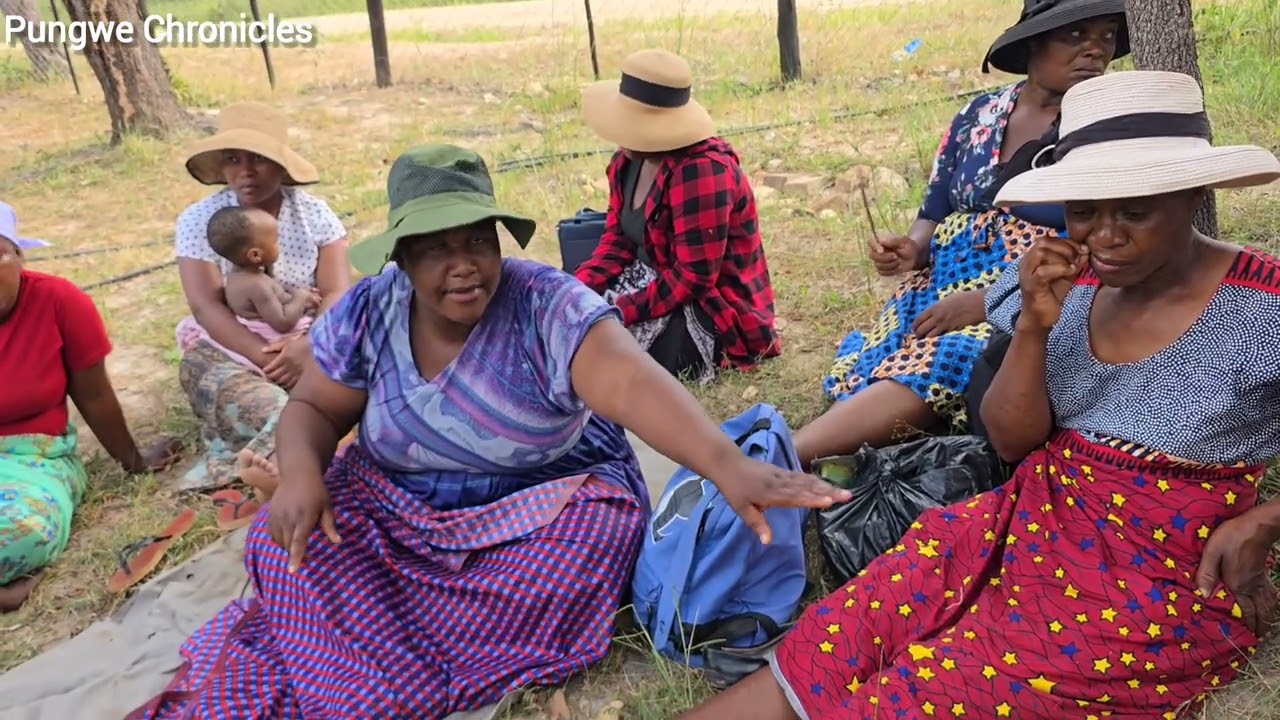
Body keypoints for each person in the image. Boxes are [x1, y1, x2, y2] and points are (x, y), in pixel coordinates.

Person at [129, 144, 849, 719]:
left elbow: (629, 381)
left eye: (478, 240)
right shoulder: (370, 313)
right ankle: (373, 653)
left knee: (584, 551)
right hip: (399, 505)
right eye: (437, 248)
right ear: (402, 257)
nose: (465, 264)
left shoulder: (547, 304)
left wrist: (726, 465)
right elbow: (315, 411)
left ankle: (377, 660)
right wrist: (305, 472)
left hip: (545, 505)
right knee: (283, 541)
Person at [679, 70, 1280, 720]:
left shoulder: (1261, 307)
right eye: (1084, 211)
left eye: (1134, 212)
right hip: (1029, 521)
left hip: (1158, 573)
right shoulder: (1070, 284)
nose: (1104, 236)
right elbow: (1013, 440)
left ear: (1193, 194)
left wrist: (1263, 522)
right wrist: (1032, 327)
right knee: (856, 624)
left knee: (937, 690)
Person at [793, 0, 1128, 466]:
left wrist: (988, 301)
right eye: (1075, 36)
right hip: (938, 285)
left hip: (1032, 293)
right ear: (1033, 43)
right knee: (886, 352)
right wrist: (912, 249)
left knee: (949, 356)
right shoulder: (979, 115)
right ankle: (834, 440)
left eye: (1106, 36)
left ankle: (784, 455)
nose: (1095, 50)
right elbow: (934, 209)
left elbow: (1108, 243)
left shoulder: (1105, 130)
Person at [0, 201, 180, 612]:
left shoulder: (59, 301)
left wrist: (133, 460)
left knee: (19, 535)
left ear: (19, 256)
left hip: (34, 459)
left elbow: (94, 395)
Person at [172, 101, 351, 493]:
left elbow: (338, 289)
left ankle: (291, 462)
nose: (246, 172)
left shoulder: (314, 215)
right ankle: (309, 457)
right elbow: (205, 306)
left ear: (282, 165)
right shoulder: (199, 220)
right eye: (233, 159)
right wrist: (266, 358)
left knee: (368, 379)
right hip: (235, 347)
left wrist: (309, 347)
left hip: (314, 338)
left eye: (260, 159)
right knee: (262, 402)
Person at [575, 48, 781, 384]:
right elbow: (618, 239)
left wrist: (621, 310)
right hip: (651, 278)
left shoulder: (701, 171)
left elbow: (693, 278)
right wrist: (579, 287)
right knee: (571, 316)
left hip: (708, 304)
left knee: (608, 357)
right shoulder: (628, 162)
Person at [206, 205, 321, 350]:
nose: (279, 245)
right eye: (275, 241)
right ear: (255, 255)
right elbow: (283, 323)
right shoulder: (257, 286)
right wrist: (301, 297)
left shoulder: (240, 276)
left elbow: (276, 293)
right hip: (275, 338)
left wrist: (296, 294)